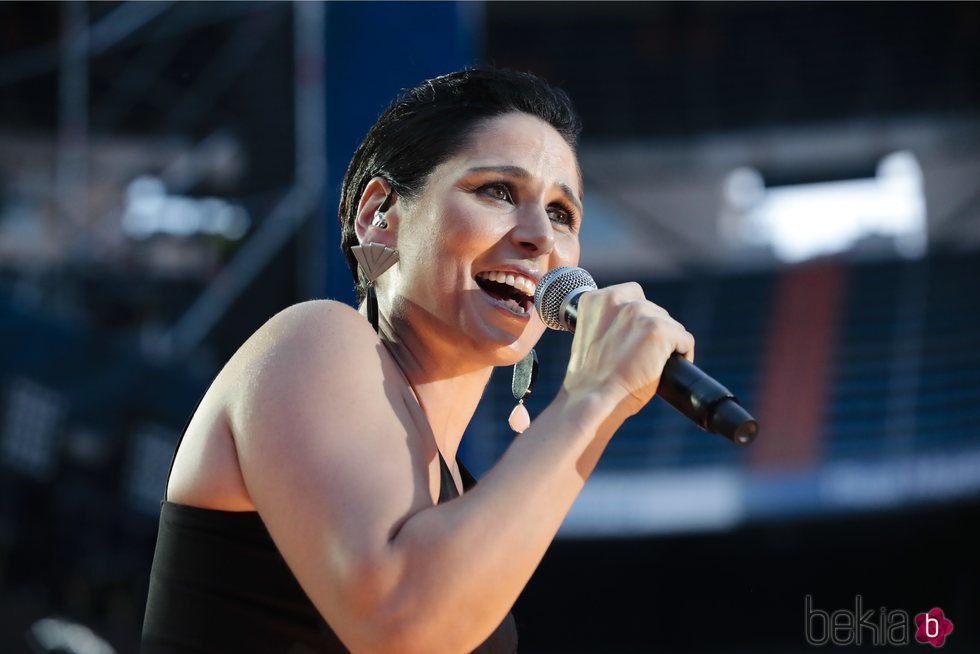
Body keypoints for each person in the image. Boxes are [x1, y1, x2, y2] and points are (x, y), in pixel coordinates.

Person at [140, 67, 695, 654]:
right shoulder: (314, 339)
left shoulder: (462, 489)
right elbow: (400, 623)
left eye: (562, 213)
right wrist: (593, 396)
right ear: (380, 213)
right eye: (498, 191)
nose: (540, 237)